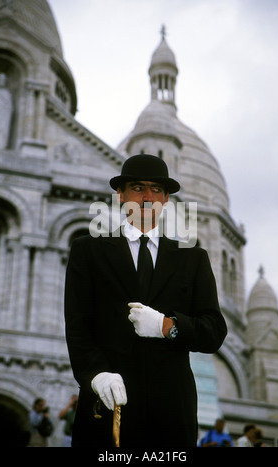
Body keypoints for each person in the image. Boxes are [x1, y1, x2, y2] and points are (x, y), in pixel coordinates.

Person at [64, 154, 227, 447]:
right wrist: (95, 374)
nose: (147, 197)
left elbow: (213, 331)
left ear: (166, 199)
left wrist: (167, 325)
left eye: (156, 190)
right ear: (121, 195)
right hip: (107, 402)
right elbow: (78, 327)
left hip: (170, 413)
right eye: (138, 188)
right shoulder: (87, 251)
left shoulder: (193, 259)